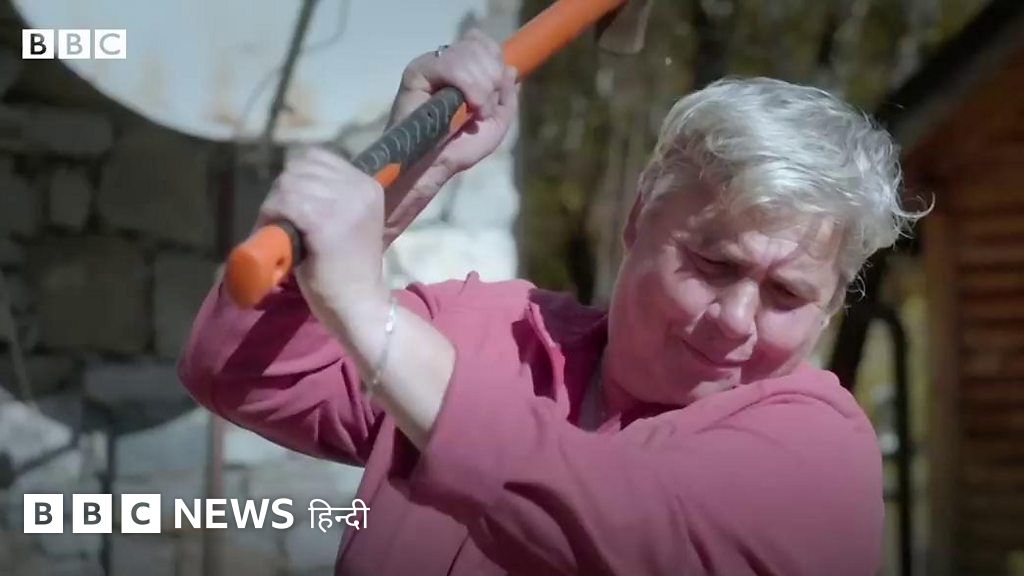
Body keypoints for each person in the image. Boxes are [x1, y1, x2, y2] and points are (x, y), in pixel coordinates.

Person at [178, 29, 925, 576]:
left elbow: (626, 526)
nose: (734, 320)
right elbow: (240, 373)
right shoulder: (485, 328)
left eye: (787, 293)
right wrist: (400, 180)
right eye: (712, 263)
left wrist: (372, 320)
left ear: (832, 304)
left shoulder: (820, 454)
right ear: (638, 217)